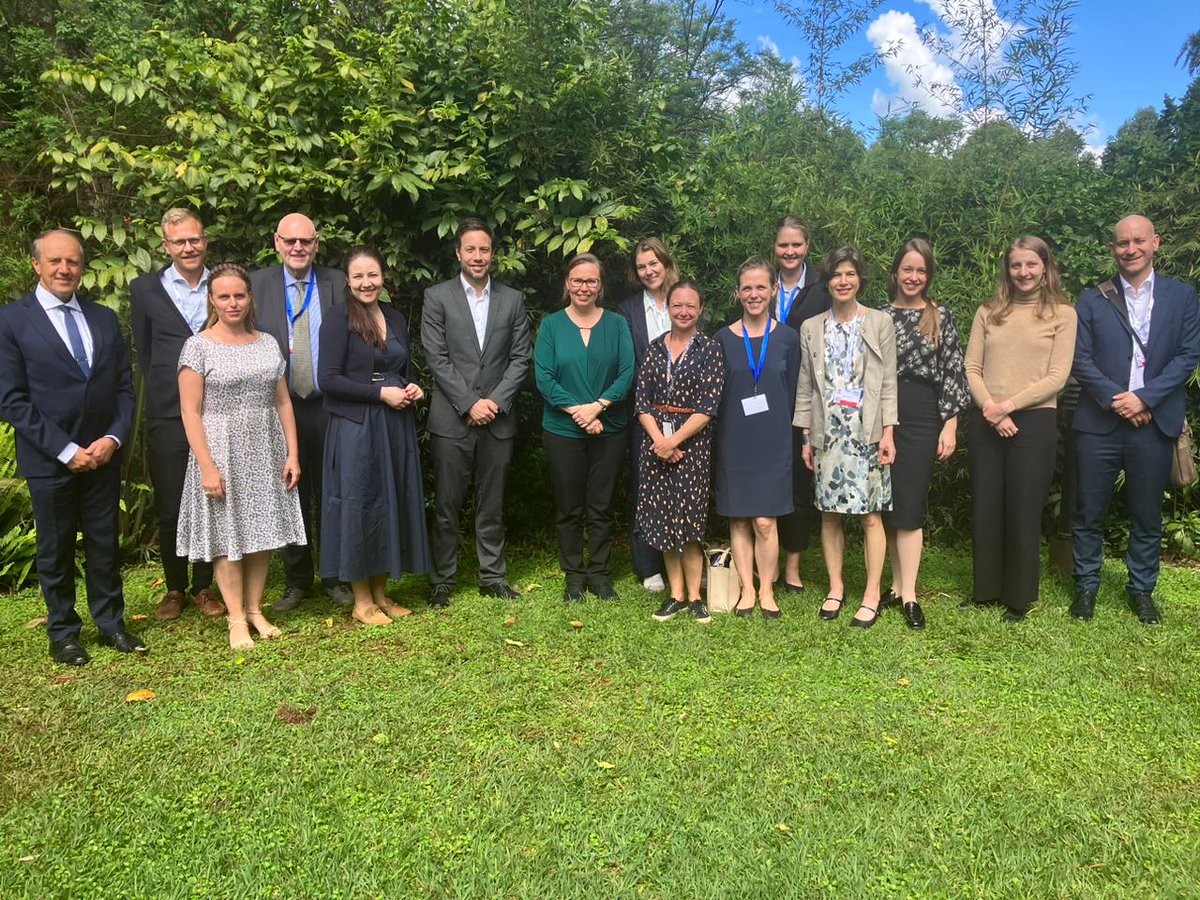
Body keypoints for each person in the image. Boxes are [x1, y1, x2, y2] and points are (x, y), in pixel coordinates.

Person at [0, 230, 141, 665]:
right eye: (56, 261)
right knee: (56, 548)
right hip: (49, 459)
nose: (65, 269)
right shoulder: (12, 321)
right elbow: (11, 399)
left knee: (104, 545)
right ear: (36, 265)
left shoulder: (102, 318)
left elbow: (123, 387)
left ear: (83, 267)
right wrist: (65, 450)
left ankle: (112, 624)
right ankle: (63, 633)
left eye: (74, 262)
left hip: (102, 454)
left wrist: (112, 439)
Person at [1071, 216, 1200, 625]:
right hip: (1099, 423)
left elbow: (1187, 355)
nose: (1130, 248)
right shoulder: (1092, 299)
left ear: (1155, 243)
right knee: (1089, 511)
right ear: (1113, 249)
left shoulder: (1183, 296)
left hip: (1153, 422)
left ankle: (1142, 589)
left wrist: (1144, 398)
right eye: (1122, 242)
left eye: (1138, 241)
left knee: (1146, 513)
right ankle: (1086, 587)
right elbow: (1080, 360)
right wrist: (1117, 400)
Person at [177, 264, 305, 650]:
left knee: (262, 534)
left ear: (250, 298)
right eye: (224, 296)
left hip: (265, 449)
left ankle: (254, 610)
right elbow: (190, 411)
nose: (233, 303)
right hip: (220, 451)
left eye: (239, 295)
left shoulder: (267, 342)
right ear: (212, 300)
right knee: (227, 535)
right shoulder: (197, 346)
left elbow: (282, 401)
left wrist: (293, 453)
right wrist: (207, 465)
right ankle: (235, 618)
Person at [963, 236, 1077, 623]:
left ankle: (1018, 597)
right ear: (1007, 270)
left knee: (1023, 509)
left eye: (1031, 265)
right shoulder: (988, 311)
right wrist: (991, 410)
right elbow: (971, 368)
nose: (1023, 273)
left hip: (1034, 422)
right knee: (987, 506)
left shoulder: (1063, 314)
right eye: (1016, 266)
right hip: (986, 420)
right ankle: (986, 591)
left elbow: (1058, 376)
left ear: (1045, 267)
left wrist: (1007, 407)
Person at [421, 219, 531, 608]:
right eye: (471, 249)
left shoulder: (512, 300)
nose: (478, 256)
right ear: (458, 253)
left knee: (492, 503)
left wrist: (495, 403)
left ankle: (492, 576)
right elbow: (436, 357)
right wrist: (470, 403)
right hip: (452, 420)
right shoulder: (437, 298)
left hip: (498, 419)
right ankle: (443, 580)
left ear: (493, 254)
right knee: (447, 505)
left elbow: (520, 358)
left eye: (484, 249)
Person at [320, 247, 432, 625]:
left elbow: (404, 367)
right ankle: (361, 600)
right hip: (356, 426)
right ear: (347, 281)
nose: (367, 283)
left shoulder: (396, 317)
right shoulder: (337, 319)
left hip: (394, 424)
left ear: (383, 277)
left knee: (390, 502)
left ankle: (382, 594)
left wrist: (413, 387)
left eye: (373, 275)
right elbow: (329, 380)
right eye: (359, 276)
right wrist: (378, 393)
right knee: (359, 504)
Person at [250, 212, 349, 612]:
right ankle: (296, 581)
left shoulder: (337, 283)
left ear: (316, 243)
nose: (297, 248)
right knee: (289, 491)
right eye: (290, 241)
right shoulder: (256, 285)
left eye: (305, 241)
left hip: (330, 404)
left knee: (333, 492)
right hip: (279, 406)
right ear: (276, 242)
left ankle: (336, 576)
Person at [795, 245, 898, 628]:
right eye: (837, 274)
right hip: (828, 432)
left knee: (871, 515)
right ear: (827, 280)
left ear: (860, 280)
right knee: (830, 514)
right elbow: (805, 384)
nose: (843, 281)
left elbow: (888, 381)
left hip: (866, 430)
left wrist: (889, 432)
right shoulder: (811, 328)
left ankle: (872, 593)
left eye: (850, 274)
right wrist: (806, 436)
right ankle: (836, 587)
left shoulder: (879, 323)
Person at [130, 208, 225, 621]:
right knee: (170, 504)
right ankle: (174, 588)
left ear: (205, 241)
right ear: (166, 246)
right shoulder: (144, 289)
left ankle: (205, 587)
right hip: (168, 412)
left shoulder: (222, 285)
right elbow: (146, 354)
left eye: (195, 239)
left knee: (212, 496)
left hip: (219, 409)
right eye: (179, 241)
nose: (188, 247)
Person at [535, 253, 635, 602]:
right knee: (569, 506)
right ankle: (574, 576)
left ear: (600, 285)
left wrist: (597, 408)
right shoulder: (551, 326)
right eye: (577, 280)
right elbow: (544, 378)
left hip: (610, 429)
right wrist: (580, 413)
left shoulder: (617, 324)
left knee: (601, 505)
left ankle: (600, 575)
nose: (584, 287)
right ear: (567, 284)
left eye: (591, 280)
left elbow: (627, 373)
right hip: (562, 431)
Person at [880, 239, 969, 629]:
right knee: (889, 504)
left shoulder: (940, 315)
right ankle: (896, 586)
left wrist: (950, 423)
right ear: (896, 272)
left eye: (921, 271)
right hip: (882, 412)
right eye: (907, 269)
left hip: (922, 414)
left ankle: (911, 595)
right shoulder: (877, 316)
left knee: (911, 504)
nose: (913, 277)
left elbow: (954, 370)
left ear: (928, 276)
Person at [714, 258, 800, 618]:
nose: (753, 294)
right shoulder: (721, 339)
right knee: (739, 518)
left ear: (773, 290)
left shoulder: (787, 339)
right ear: (738, 292)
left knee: (766, 520)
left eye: (760, 287)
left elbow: (797, 392)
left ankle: (767, 589)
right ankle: (746, 589)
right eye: (747, 288)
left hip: (773, 440)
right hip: (734, 440)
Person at [636, 281, 725, 623]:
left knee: (688, 523)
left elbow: (707, 406)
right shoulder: (655, 348)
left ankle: (695, 596)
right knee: (662, 522)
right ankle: (675, 594)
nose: (683, 311)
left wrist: (674, 442)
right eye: (677, 305)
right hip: (655, 444)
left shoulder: (709, 349)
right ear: (667, 308)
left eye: (690, 306)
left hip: (693, 447)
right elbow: (642, 401)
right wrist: (660, 440)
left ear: (700, 310)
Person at [772, 216, 832, 597]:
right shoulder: (763, 284)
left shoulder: (822, 290)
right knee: (767, 480)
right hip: (764, 401)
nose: (790, 252)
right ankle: (768, 561)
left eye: (796, 245)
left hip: (806, 399)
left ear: (807, 246)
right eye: (783, 245)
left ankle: (792, 567)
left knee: (798, 483)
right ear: (774, 249)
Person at [618, 238, 680, 593]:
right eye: (642, 266)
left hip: (685, 412)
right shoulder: (627, 309)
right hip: (644, 412)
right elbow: (630, 361)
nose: (648, 271)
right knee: (646, 487)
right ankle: (648, 565)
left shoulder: (685, 298)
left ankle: (683, 558)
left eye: (654, 263)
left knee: (684, 487)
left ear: (666, 263)